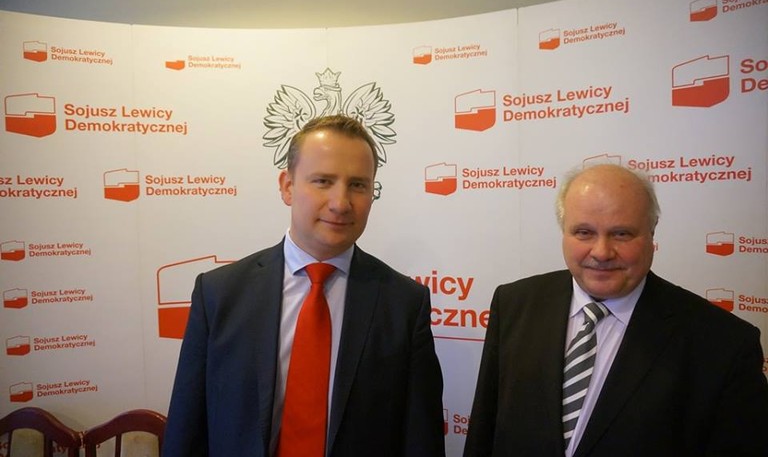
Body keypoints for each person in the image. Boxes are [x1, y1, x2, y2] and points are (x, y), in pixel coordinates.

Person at [162, 114, 446, 457]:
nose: (341, 203)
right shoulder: (219, 293)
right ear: (287, 186)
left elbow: (421, 441)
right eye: (323, 181)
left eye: (358, 185)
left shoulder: (404, 304)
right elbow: (186, 431)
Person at [464, 163, 768, 457]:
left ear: (652, 234)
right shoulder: (513, 304)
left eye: (621, 234)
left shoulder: (724, 344)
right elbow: (484, 435)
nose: (601, 252)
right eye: (584, 232)